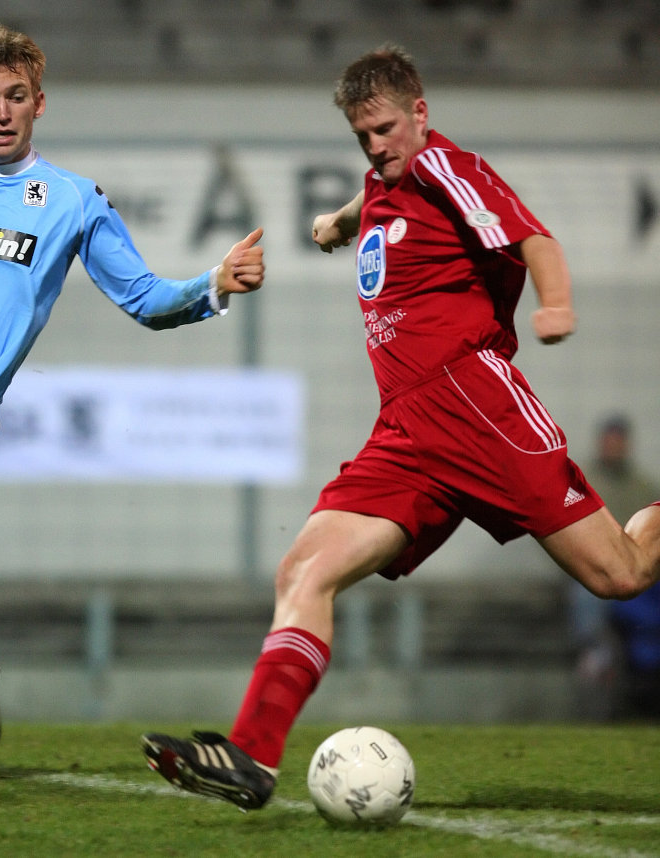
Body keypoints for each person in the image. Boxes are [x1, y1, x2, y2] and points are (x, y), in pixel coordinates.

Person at [141, 44, 660, 810]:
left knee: (621, 574)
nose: (376, 146)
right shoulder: (385, 178)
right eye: (362, 136)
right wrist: (336, 223)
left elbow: (533, 238)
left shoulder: (449, 167)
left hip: (480, 410)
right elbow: (368, 203)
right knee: (303, 571)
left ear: (419, 113)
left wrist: (555, 304)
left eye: (385, 128)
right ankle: (249, 756)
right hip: (409, 434)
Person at [0, 23, 264, 776]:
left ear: (39, 103)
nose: (2, 111)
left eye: (16, 97)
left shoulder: (72, 202)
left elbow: (142, 297)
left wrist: (212, 284)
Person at [569, 416, 660, 720]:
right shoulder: (582, 481)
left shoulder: (642, 486)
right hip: (592, 570)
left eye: (619, 441)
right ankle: (596, 651)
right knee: (587, 590)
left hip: (636, 572)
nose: (614, 447)